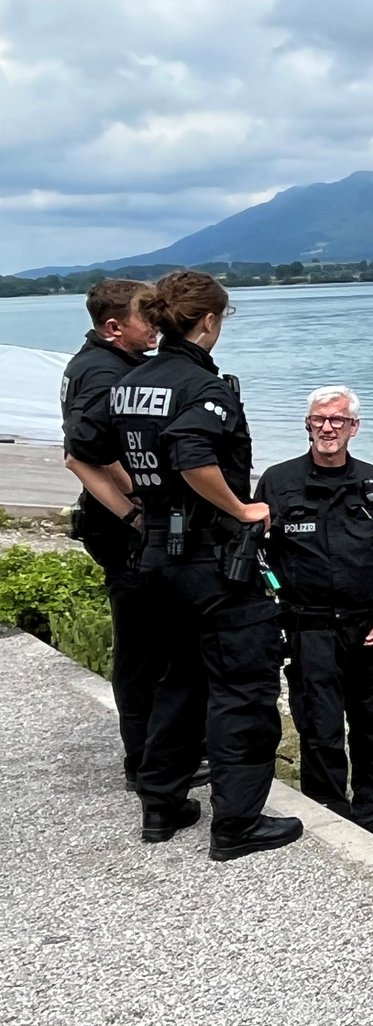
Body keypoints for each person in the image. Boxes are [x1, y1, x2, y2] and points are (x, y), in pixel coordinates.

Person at [67, 271, 302, 858]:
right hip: (213, 559)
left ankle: (162, 804)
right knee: (242, 689)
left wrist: (133, 511)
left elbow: (84, 451)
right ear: (210, 322)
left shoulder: (129, 382)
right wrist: (243, 509)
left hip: (155, 558)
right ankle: (237, 824)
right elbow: (195, 454)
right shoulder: (205, 387)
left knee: (177, 679)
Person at [255, 386, 373, 850]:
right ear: (307, 425)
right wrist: (271, 604)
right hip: (309, 628)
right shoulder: (278, 481)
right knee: (320, 728)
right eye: (319, 419)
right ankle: (331, 815)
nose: (328, 427)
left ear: (354, 427)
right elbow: (256, 554)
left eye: (338, 420)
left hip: (372, 625)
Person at [59, 279, 166, 791]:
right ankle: (144, 763)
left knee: (151, 643)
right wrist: (135, 511)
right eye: (149, 318)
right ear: (113, 326)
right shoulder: (103, 373)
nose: (157, 326)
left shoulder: (106, 363)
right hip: (122, 533)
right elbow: (83, 453)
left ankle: (157, 753)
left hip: (121, 526)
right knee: (142, 648)